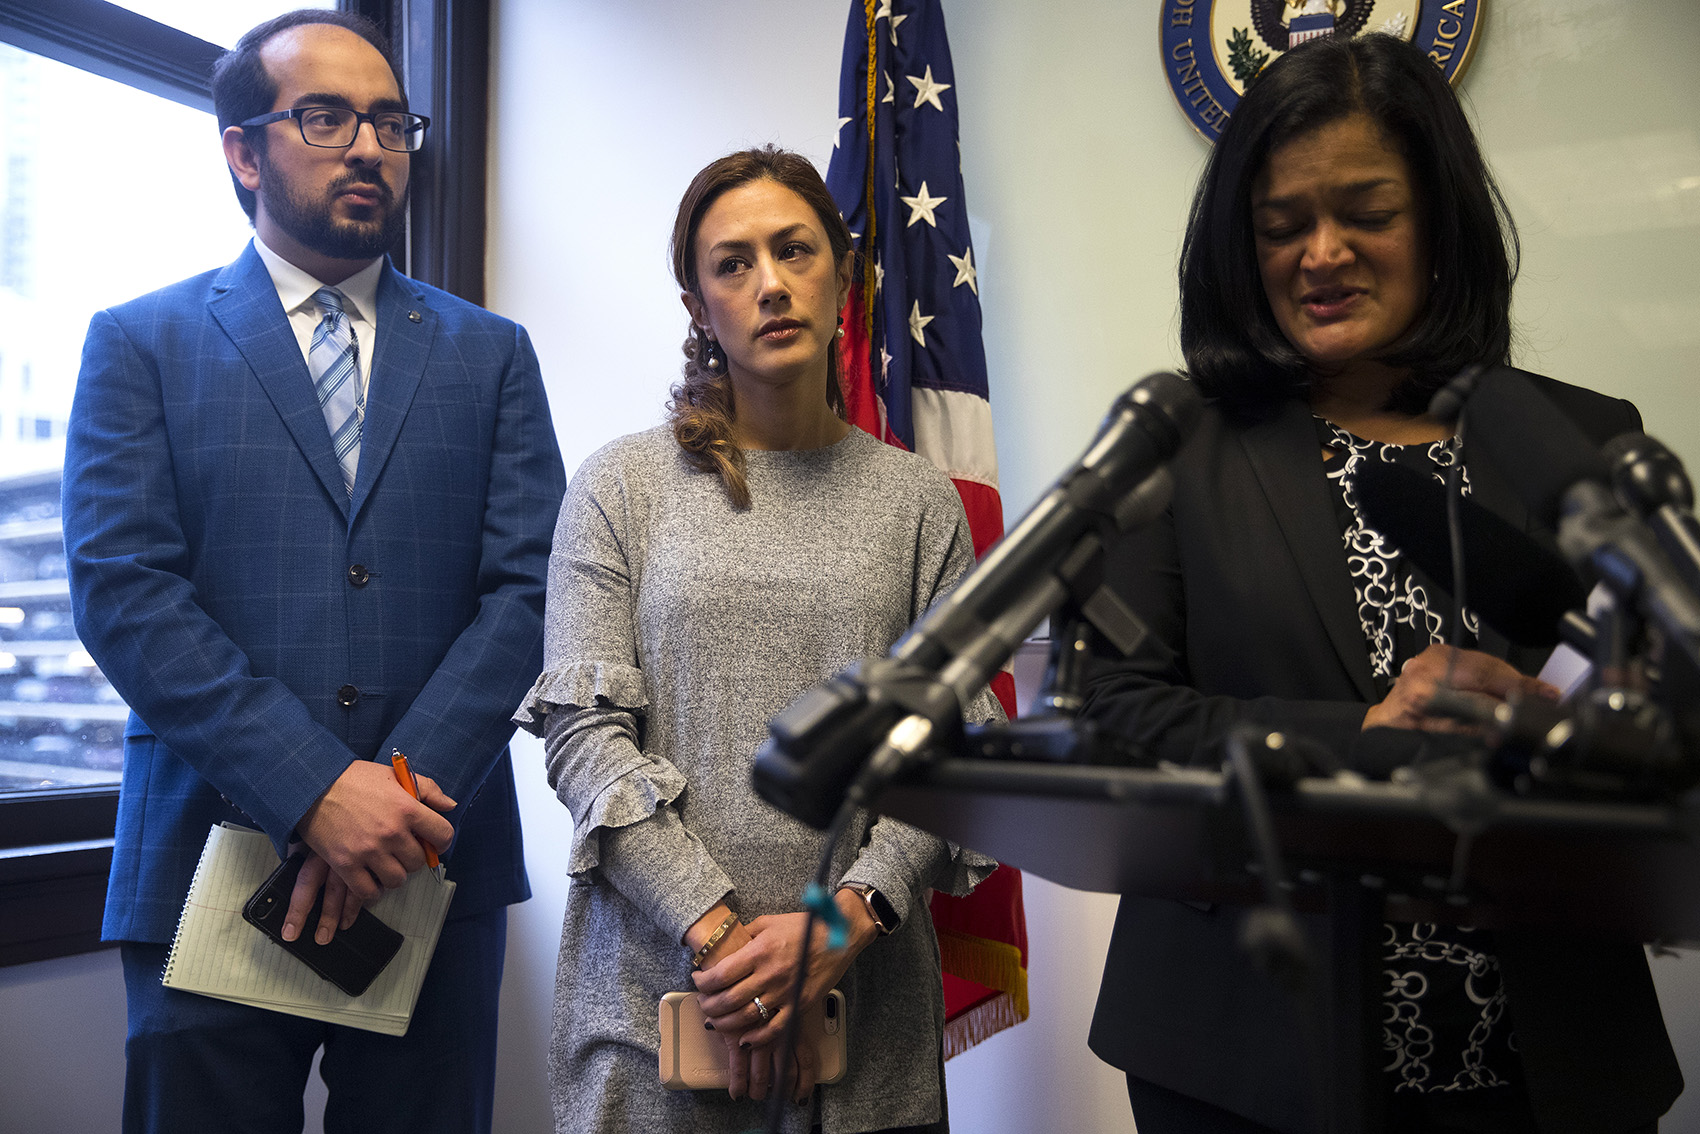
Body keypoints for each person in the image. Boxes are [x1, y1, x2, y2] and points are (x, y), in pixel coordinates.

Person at [1080, 33, 1682, 1134]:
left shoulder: (1579, 438)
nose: (1321, 253)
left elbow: (1657, 731)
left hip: (1549, 1053)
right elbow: (1119, 718)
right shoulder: (1175, 444)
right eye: (1280, 225)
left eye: (1365, 212)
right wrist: (1364, 729)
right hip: (1244, 1054)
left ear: (1437, 222)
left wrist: (1586, 732)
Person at [61, 11, 565, 1133]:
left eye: (391, 122)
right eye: (326, 117)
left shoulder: (491, 356)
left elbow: (531, 590)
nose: (370, 147)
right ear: (244, 151)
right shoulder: (140, 342)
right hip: (206, 860)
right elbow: (124, 591)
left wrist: (394, 795)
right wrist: (315, 792)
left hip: (434, 864)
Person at [512, 145, 995, 1134]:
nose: (768, 283)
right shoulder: (618, 488)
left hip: (866, 1017)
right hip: (648, 1015)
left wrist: (833, 926)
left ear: (843, 274)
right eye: (732, 264)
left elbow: (955, 750)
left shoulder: (917, 502)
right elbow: (584, 744)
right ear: (697, 305)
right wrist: (728, 942)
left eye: (794, 251)